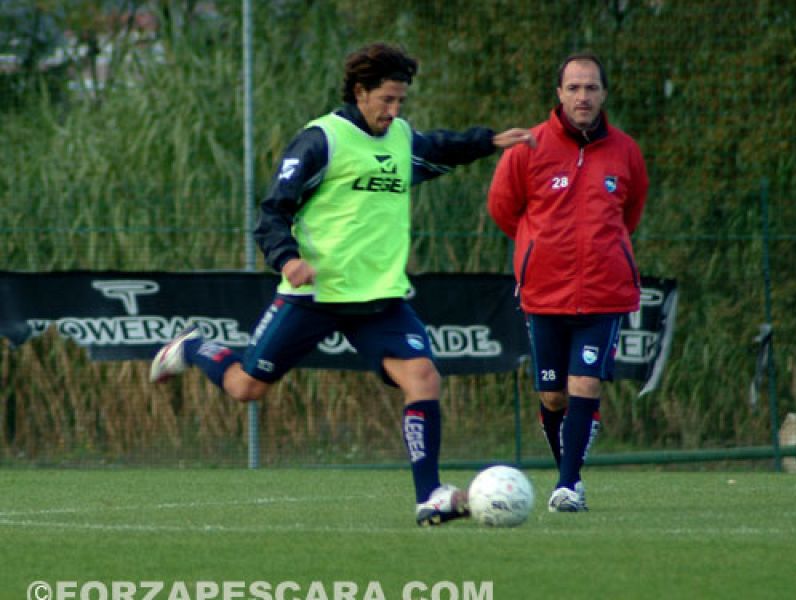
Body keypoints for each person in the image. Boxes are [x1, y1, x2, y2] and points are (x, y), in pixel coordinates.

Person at [150, 42, 533, 526]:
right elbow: (273, 211)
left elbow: (438, 146)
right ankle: (196, 346)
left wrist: (488, 141)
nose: (394, 112)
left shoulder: (400, 138)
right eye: (386, 100)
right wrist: (288, 260)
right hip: (315, 296)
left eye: (401, 102)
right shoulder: (321, 140)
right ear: (360, 92)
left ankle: (430, 494)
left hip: (378, 298)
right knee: (247, 387)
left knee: (424, 379)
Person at [487, 52, 648, 512]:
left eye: (591, 87)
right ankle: (569, 468)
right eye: (574, 88)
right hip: (544, 292)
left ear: (604, 94)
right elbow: (503, 211)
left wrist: (603, 251)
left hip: (604, 292)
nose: (583, 96)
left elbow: (630, 213)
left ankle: (568, 484)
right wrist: (540, 249)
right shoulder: (528, 147)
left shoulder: (626, 151)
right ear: (558, 93)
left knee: (585, 384)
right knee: (552, 393)